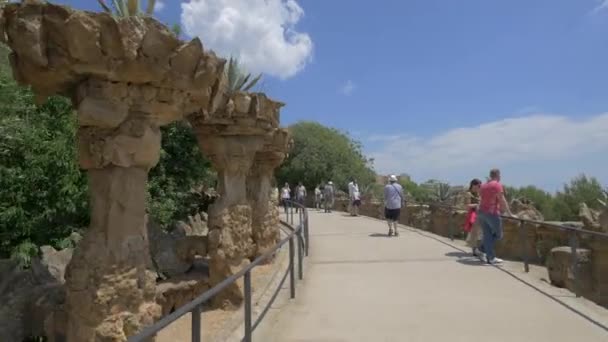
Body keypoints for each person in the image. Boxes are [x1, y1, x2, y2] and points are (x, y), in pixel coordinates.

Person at [478, 168, 515, 265]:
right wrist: (510, 213)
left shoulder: (484, 185)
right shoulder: (497, 185)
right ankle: (488, 255)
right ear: (498, 175)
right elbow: (502, 200)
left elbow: (481, 198)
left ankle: (483, 251)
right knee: (499, 235)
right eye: (500, 175)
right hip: (491, 213)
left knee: (487, 235)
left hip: (481, 212)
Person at [463, 178, 483, 257]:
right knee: (474, 232)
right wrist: (477, 205)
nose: (479, 187)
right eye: (478, 186)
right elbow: (467, 206)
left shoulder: (479, 194)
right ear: (473, 185)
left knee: (480, 232)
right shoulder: (469, 194)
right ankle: (475, 250)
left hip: (480, 214)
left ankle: (478, 249)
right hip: (473, 214)